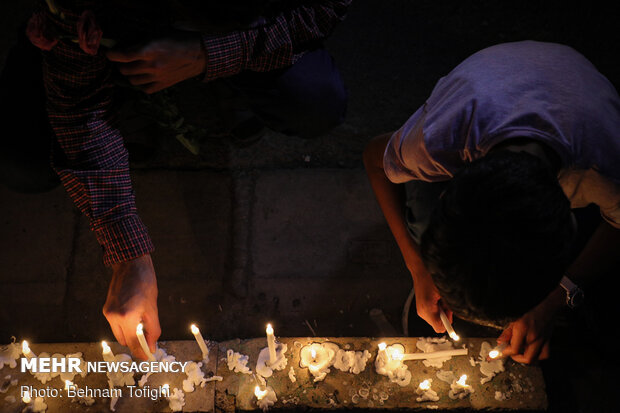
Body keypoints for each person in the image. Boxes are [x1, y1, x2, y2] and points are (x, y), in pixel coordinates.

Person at [1, 0, 351, 359]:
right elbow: (74, 101)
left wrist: (210, 55)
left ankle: (223, 80)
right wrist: (129, 256)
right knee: (23, 161)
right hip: (111, 31)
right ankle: (128, 86)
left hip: (234, 25)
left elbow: (320, 12)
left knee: (314, 100)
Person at [364, 41, 620, 364]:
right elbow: (374, 159)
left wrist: (558, 295)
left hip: (575, 90)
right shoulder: (438, 137)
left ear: (568, 219)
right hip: (490, 88)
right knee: (423, 225)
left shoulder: (607, 164)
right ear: (448, 185)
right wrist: (417, 267)